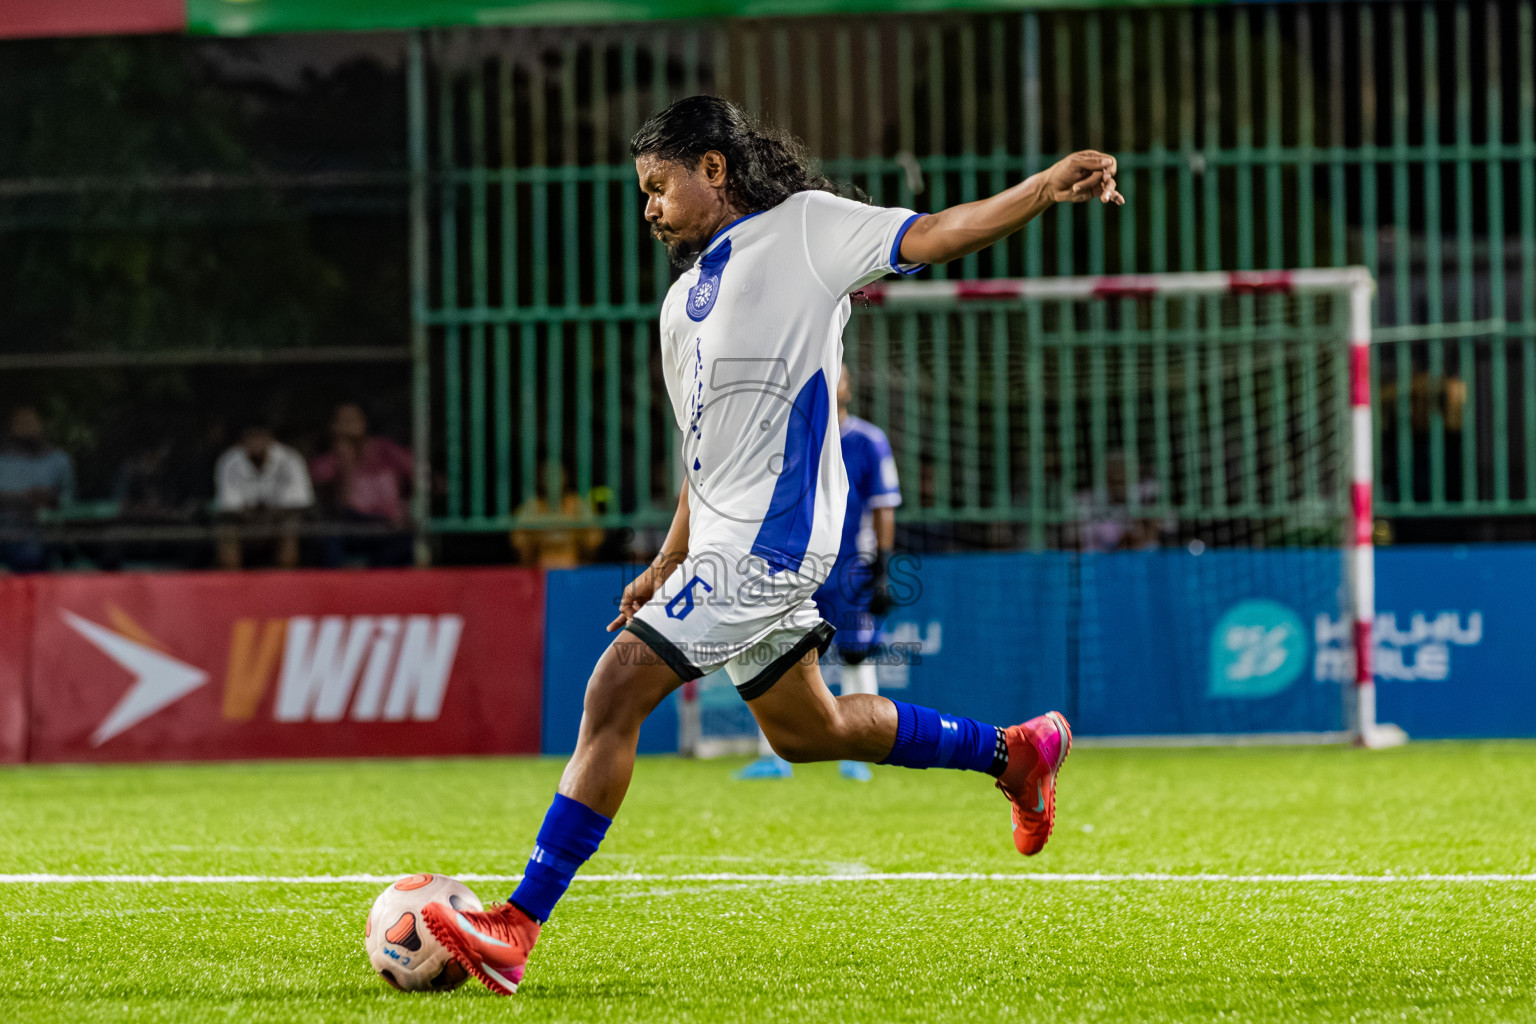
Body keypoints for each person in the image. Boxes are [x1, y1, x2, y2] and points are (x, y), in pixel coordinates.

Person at [420, 95, 1123, 995]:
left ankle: (515, 924)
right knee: (807, 729)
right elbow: (701, 456)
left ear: (714, 168)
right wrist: (666, 564)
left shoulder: (806, 232)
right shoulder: (681, 305)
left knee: (615, 687)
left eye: (659, 185)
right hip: (722, 544)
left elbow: (941, 232)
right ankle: (1014, 752)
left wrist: (1041, 187)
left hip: (774, 543)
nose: (648, 208)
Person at [736, 362, 901, 782]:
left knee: (854, 652)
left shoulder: (868, 441)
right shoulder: (792, 436)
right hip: (794, 561)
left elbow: (883, 505)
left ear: (848, 389)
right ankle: (772, 755)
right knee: (776, 651)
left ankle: (859, 753)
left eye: (839, 377)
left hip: (850, 566)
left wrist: (882, 566)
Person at [309, 403, 414, 568]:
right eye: (342, 420)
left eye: (352, 419)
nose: (347, 424)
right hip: (350, 526)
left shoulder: (384, 449)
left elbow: (415, 470)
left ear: (364, 422)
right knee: (327, 540)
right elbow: (317, 482)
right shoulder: (330, 459)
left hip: (387, 525)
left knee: (401, 541)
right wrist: (343, 458)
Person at [213, 422, 314, 569]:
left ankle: (286, 585)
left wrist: (268, 511)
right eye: (251, 437)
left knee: (289, 528)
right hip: (244, 523)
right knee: (227, 531)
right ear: (242, 441)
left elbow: (299, 502)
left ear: (270, 439)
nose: (256, 442)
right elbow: (229, 506)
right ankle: (231, 587)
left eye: (260, 436)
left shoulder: (290, 459)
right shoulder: (229, 461)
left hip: (279, 521)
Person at [0, 406, 75, 572]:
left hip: (37, 536)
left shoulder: (58, 461)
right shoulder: (3, 462)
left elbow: (68, 505)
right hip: (5, 533)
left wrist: (49, 501)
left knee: (32, 555)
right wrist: (22, 498)